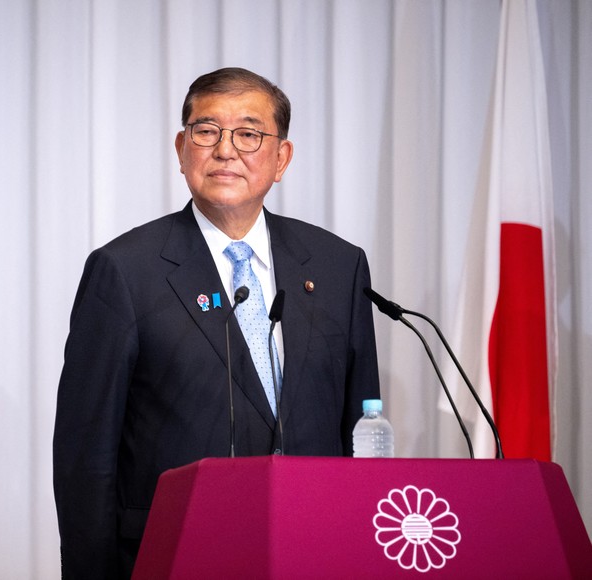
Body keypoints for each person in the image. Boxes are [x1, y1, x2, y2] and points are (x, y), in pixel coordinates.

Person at [53, 67, 380, 579]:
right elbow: (86, 456)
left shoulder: (339, 266)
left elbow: (363, 426)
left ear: (282, 158)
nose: (226, 150)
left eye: (249, 134)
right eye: (207, 132)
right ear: (182, 149)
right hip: (176, 554)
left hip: (317, 549)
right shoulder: (125, 271)